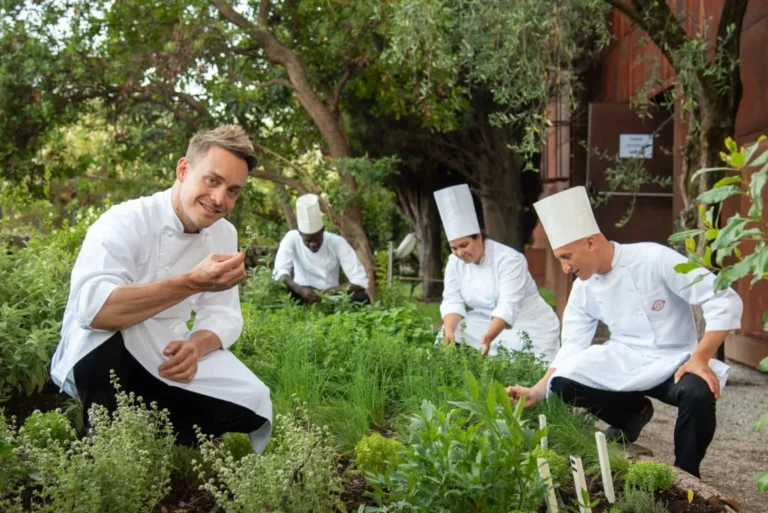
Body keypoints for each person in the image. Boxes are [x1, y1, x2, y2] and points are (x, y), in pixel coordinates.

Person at [50, 125, 273, 453]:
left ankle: (166, 428)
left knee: (253, 402)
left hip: (167, 349)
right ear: (183, 169)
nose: (219, 199)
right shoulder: (125, 221)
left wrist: (196, 346)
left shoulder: (224, 234)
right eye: (212, 180)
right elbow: (94, 311)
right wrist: (190, 283)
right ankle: (102, 439)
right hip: (109, 345)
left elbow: (222, 313)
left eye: (232, 191)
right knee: (103, 350)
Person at [507, 186, 743, 478]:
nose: (565, 267)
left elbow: (723, 297)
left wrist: (700, 357)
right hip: (625, 359)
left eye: (567, 256)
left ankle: (687, 473)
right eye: (560, 259)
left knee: (698, 391)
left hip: (674, 360)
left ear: (591, 243)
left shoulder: (654, 258)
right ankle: (634, 415)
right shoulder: (583, 288)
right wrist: (539, 388)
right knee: (563, 381)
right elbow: (572, 345)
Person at [433, 184, 561, 362]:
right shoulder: (454, 263)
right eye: (454, 248)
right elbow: (452, 301)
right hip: (485, 322)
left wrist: (489, 337)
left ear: (478, 237)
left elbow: (508, 306)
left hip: (529, 327)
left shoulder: (510, 260)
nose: (460, 253)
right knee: (449, 335)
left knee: (525, 372)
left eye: (464, 245)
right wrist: (449, 333)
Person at [272, 193, 370, 304]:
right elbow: (280, 272)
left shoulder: (337, 242)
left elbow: (360, 281)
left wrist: (324, 293)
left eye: (318, 239)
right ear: (300, 234)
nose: (313, 244)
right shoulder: (292, 238)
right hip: (300, 294)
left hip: (332, 296)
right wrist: (299, 289)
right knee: (282, 290)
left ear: (323, 230)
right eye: (308, 241)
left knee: (362, 297)